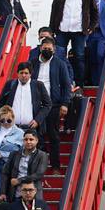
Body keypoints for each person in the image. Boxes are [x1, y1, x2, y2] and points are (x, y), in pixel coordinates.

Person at [30, 37, 74, 169]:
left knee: (53, 135)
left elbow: (66, 85)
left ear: (54, 49)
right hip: (35, 106)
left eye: (50, 49)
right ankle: (37, 166)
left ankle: (55, 166)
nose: (47, 50)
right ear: (40, 48)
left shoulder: (60, 64)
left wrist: (65, 104)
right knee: (36, 136)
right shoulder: (32, 63)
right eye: (45, 48)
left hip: (53, 105)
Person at [49, 0, 96, 85]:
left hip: (79, 30)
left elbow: (94, 10)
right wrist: (51, 28)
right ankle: (61, 81)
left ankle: (79, 83)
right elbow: (54, 9)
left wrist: (91, 26)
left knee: (79, 57)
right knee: (59, 55)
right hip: (62, 29)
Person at [0, 63, 51, 135]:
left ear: (30, 74)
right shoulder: (10, 84)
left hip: (31, 129)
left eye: (26, 73)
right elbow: (0, 103)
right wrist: (5, 119)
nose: (23, 75)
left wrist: (37, 120)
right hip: (11, 128)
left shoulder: (38, 85)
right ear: (18, 73)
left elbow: (48, 104)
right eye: (21, 73)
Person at [0, 128, 48, 203]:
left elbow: (39, 174)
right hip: (15, 192)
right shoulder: (14, 154)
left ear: (36, 141)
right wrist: (2, 192)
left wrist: (19, 180)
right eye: (26, 139)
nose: (28, 142)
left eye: (31, 139)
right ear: (23, 141)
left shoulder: (42, 155)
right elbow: (5, 173)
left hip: (33, 192)